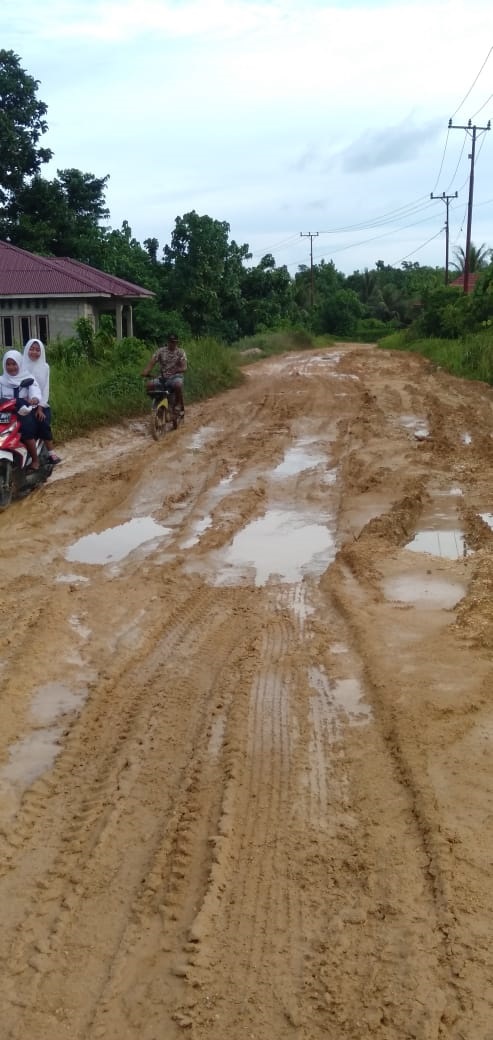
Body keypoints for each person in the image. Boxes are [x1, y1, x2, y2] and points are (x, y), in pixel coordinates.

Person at [0, 350, 42, 471]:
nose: (11, 367)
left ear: (19, 364)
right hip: (5, 413)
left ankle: (35, 460)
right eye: (8, 364)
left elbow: (35, 390)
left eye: (14, 364)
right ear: (4, 365)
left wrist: (34, 399)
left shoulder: (27, 378)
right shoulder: (1, 381)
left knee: (27, 433)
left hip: (23, 412)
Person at [22, 338, 62, 465]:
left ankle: (51, 453)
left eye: (37, 350)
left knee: (43, 423)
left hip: (40, 404)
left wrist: (40, 407)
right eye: (32, 349)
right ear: (27, 350)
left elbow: (45, 388)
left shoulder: (45, 367)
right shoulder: (20, 366)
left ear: (42, 352)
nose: (34, 352)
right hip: (23, 404)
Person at [140, 333, 187, 415]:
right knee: (149, 385)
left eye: (174, 342)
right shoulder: (160, 351)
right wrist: (146, 371)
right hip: (162, 377)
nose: (172, 343)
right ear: (167, 342)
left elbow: (184, 367)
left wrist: (176, 371)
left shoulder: (180, 352)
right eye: (171, 341)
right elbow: (152, 362)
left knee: (178, 385)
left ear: (177, 342)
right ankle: (159, 401)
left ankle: (178, 404)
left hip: (175, 376)